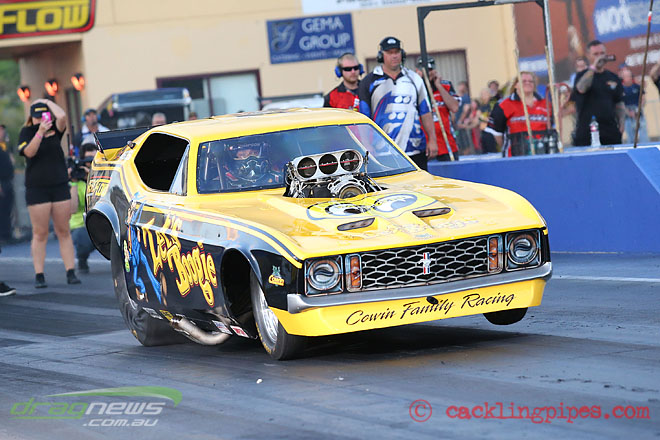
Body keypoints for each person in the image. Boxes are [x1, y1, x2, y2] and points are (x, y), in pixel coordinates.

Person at [18, 99, 80, 288]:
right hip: (37, 187)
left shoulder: (55, 128)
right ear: (32, 118)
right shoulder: (27, 132)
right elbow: (29, 152)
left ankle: (70, 271)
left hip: (59, 184)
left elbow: (62, 116)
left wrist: (46, 101)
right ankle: (39, 274)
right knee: (40, 232)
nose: (41, 120)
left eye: (43, 116)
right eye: (37, 117)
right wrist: (40, 132)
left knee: (63, 230)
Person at [359, 36, 438, 170]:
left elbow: (425, 111)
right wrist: (366, 145)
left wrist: (432, 140)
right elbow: (363, 117)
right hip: (383, 153)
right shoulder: (369, 81)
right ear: (381, 55)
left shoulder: (415, 78)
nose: (394, 56)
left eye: (397, 52)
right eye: (390, 53)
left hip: (415, 150)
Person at [572, 40, 625, 146]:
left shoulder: (613, 77)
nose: (600, 57)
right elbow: (581, 88)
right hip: (587, 132)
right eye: (596, 54)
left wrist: (622, 122)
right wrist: (593, 68)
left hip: (610, 131)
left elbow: (619, 102)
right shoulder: (582, 75)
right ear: (588, 56)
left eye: (602, 53)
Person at [486, 72, 551, 156]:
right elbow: (497, 134)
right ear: (516, 85)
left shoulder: (545, 104)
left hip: (542, 154)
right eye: (523, 81)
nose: (527, 83)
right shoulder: (503, 105)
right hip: (514, 157)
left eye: (530, 81)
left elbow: (552, 127)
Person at [416, 56, 460, 161]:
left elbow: (454, 107)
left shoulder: (446, 85)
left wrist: (439, 86)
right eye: (425, 70)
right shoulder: (414, 88)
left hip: (446, 145)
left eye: (430, 70)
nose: (428, 73)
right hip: (424, 146)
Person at [69, 142, 96, 274]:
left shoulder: (103, 177)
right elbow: (72, 208)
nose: (90, 164)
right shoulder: (75, 180)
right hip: (81, 224)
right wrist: (74, 182)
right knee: (83, 238)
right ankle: (82, 258)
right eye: (88, 161)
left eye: (94, 160)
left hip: (101, 221)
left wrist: (92, 177)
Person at [619, 67, 648, 144]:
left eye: (629, 76)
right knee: (631, 137)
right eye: (626, 76)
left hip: (639, 114)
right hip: (627, 116)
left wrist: (638, 109)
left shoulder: (637, 87)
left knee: (643, 136)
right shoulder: (621, 89)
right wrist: (628, 112)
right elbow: (620, 103)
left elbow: (643, 98)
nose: (628, 78)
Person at [0, 124, 15, 243]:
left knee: (7, 208)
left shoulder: (4, 146)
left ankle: (8, 233)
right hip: (1, 182)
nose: (2, 133)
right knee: (2, 209)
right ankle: (3, 235)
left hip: (8, 180)